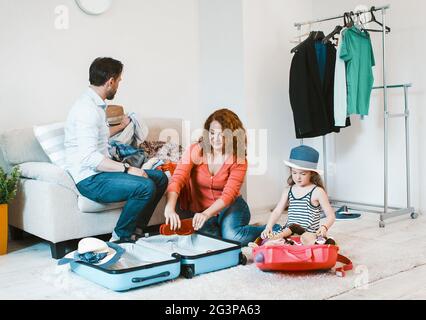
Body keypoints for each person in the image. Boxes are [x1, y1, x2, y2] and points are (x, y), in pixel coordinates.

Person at [64, 57, 168, 241]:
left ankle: (136, 231)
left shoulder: (95, 106)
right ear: (110, 81)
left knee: (159, 178)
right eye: (119, 81)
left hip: (100, 174)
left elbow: (98, 138)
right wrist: (128, 169)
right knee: (145, 186)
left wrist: (121, 127)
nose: (119, 85)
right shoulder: (86, 110)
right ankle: (121, 236)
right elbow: (89, 157)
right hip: (90, 179)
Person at [164, 108, 264, 246]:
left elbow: (229, 195)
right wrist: (170, 207)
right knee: (212, 243)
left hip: (231, 207)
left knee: (233, 238)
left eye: (222, 134)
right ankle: (236, 229)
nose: (215, 139)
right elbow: (178, 178)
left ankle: (272, 229)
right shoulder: (196, 150)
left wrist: (206, 214)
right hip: (201, 212)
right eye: (212, 133)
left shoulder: (238, 158)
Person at [261, 145, 336, 244]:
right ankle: (276, 241)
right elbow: (277, 211)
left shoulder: (317, 191)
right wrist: (268, 227)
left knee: (309, 239)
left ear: (312, 173)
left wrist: (324, 227)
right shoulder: (288, 190)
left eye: (303, 174)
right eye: (294, 173)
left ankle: (276, 240)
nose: (298, 177)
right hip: (289, 232)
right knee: (274, 238)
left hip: (308, 234)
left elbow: (331, 215)